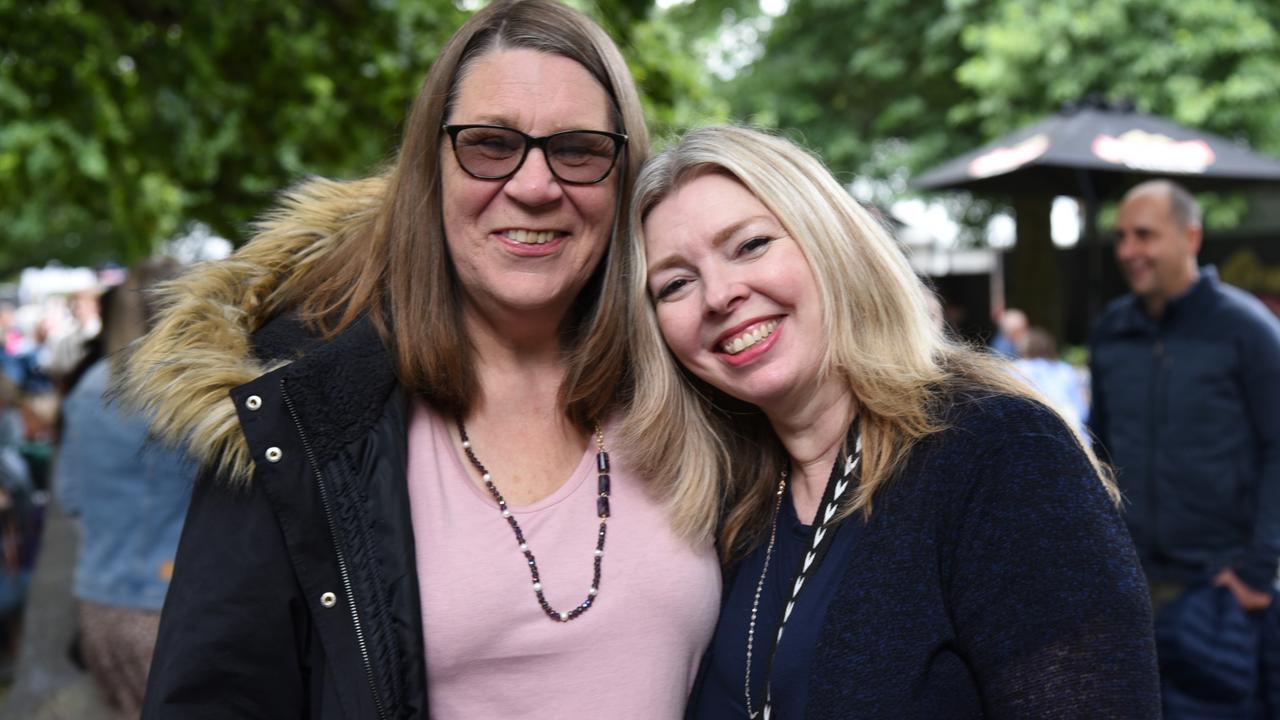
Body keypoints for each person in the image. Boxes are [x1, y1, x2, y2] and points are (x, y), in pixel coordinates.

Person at [119, 2, 720, 718]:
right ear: (430, 169)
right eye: (490, 144)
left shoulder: (695, 388)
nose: (534, 186)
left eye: (579, 149)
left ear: (622, 175)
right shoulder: (303, 417)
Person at [623, 126, 1160, 718]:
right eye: (675, 283)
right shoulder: (732, 508)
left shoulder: (999, 453)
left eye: (750, 246)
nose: (719, 295)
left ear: (831, 242)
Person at [1090, 180, 1280, 710]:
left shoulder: (1247, 330)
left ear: (1190, 236)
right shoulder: (1112, 331)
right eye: (1122, 236)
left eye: (1144, 235)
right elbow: (1098, 451)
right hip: (1128, 589)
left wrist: (1256, 572)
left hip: (1218, 590)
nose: (1128, 250)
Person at [55, 260, 196, 719]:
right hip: (176, 601)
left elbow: (70, 496)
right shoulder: (195, 389)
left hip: (101, 599)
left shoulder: (90, 387)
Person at [1012, 326, 1089, 439]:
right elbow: (1082, 410)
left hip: (1033, 431)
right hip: (1073, 431)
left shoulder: (1017, 369)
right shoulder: (1066, 370)